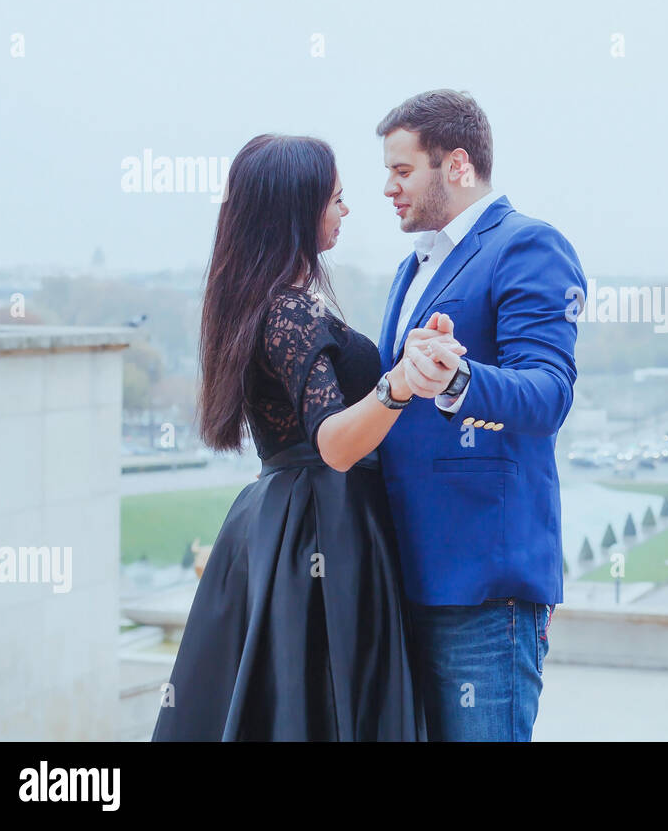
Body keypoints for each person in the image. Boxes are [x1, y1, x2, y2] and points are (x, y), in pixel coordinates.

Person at [152, 133, 467, 741]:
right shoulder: (288, 309)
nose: (346, 211)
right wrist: (401, 381)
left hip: (287, 527)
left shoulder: (264, 301)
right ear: (297, 209)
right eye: (336, 200)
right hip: (324, 526)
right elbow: (336, 444)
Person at [375, 90, 586, 741]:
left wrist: (458, 378)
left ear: (457, 165)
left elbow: (549, 391)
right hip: (404, 576)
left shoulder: (529, 246)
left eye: (402, 170)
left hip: (483, 589)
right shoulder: (413, 267)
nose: (387, 188)